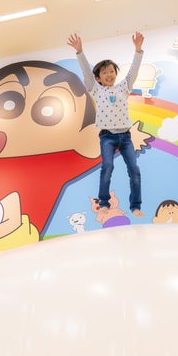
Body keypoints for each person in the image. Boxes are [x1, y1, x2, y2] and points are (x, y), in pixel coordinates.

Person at [67, 32, 145, 217]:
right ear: (98, 78)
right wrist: (80, 52)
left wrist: (138, 50)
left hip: (125, 136)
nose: (109, 74)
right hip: (107, 136)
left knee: (134, 170)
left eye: (111, 71)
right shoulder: (96, 89)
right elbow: (87, 72)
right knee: (107, 166)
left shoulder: (123, 87)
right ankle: (104, 203)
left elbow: (133, 71)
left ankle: (135, 206)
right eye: (104, 72)